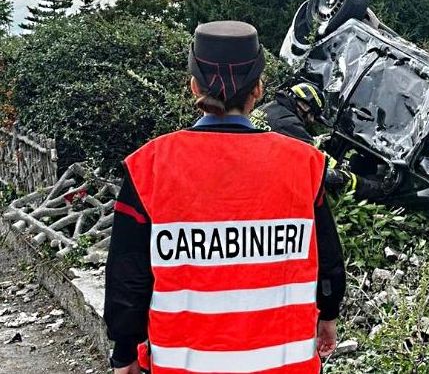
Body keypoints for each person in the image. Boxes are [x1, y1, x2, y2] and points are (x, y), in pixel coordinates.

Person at [103, 21, 345, 374]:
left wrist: (124, 351)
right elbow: (328, 257)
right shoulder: (303, 165)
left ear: (193, 87)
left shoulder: (150, 167)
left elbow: (128, 274)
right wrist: (329, 313)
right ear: (259, 89)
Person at [254, 82, 394, 199]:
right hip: (263, 181)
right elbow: (321, 162)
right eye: (313, 115)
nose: (312, 120)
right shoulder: (289, 123)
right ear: (305, 105)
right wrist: (365, 184)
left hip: (256, 166)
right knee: (335, 177)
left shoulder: (270, 107)